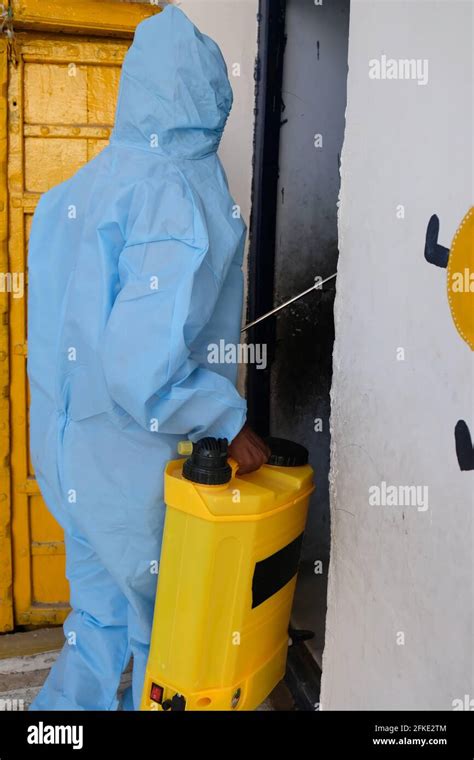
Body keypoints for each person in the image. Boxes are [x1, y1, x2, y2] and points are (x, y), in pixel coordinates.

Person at [28, 4, 269, 711]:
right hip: (136, 472)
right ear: (204, 96)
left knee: (95, 624)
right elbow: (141, 367)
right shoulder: (175, 193)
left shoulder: (72, 194)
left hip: (71, 460)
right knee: (169, 644)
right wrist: (224, 420)